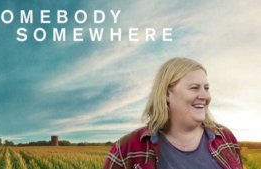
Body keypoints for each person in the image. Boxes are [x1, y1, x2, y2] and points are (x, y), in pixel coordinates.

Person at [103, 57, 243, 169]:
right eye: (194, 88)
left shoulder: (226, 138)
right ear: (166, 94)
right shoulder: (127, 149)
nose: (205, 96)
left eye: (206, 88)